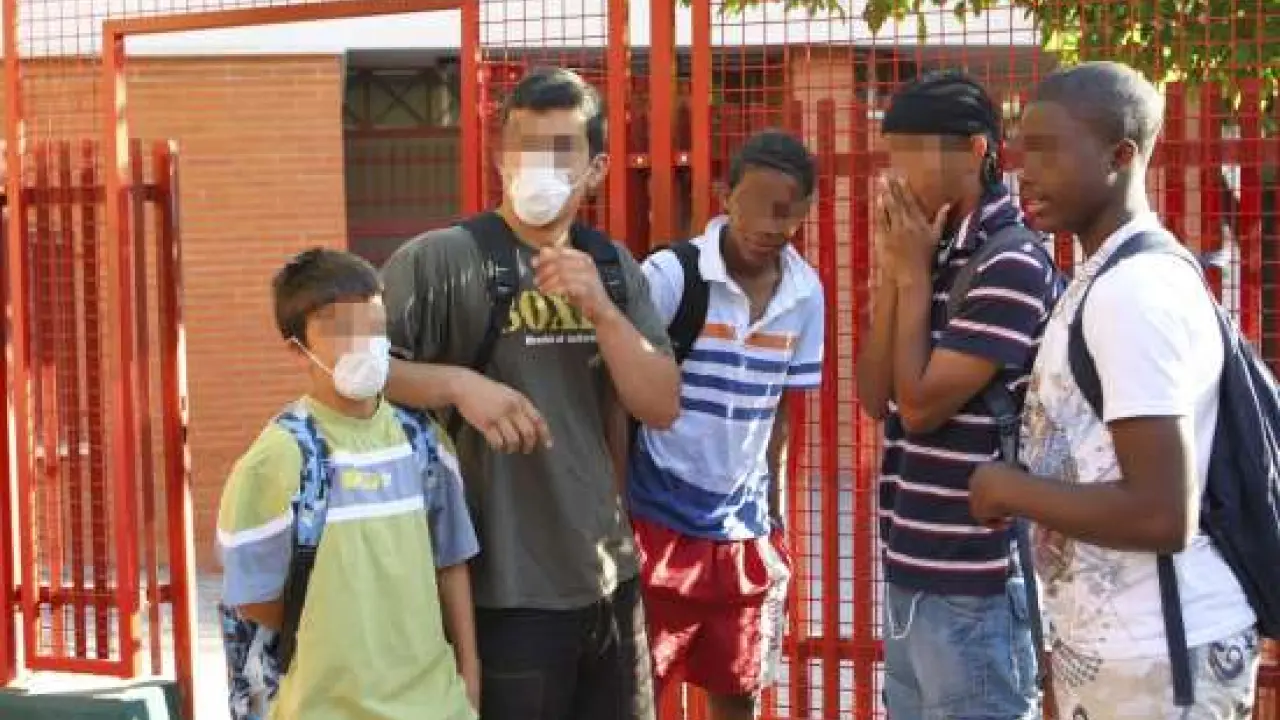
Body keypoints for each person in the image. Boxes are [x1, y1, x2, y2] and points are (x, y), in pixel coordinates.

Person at [380, 66, 678, 720]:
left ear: (596, 169)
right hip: (502, 590)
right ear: (500, 159)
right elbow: (355, 372)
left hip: (609, 577)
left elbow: (661, 404)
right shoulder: (441, 260)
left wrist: (602, 309)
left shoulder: (613, 268)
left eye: (561, 150)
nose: (539, 165)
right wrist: (458, 383)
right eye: (525, 147)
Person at [969, 61, 1260, 718]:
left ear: (1121, 155)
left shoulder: (1132, 293)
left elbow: (1162, 513)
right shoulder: (1108, 276)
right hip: (1122, 647)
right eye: (1024, 151)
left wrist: (1006, 490)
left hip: (1159, 654)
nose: (1025, 173)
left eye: (1048, 151)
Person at [855, 70, 1062, 720]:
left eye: (912, 156)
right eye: (892, 157)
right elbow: (875, 397)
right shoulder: (927, 248)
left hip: (974, 578)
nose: (896, 177)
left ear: (975, 151)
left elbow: (919, 409)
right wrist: (898, 276)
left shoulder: (1010, 261)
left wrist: (913, 280)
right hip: (909, 563)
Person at [216, 248, 480, 720]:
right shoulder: (276, 459)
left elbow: (451, 561)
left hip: (436, 705)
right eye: (341, 329)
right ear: (297, 349)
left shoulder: (422, 440)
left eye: (373, 325)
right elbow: (254, 599)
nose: (364, 344)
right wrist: (339, 632)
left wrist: (470, 672)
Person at [627, 130, 824, 720]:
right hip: (655, 520)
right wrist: (613, 508)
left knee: (738, 692)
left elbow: (780, 412)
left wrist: (775, 518)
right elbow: (617, 390)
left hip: (742, 529)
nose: (766, 225)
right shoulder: (670, 275)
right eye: (752, 205)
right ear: (725, 197)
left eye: (784, 211)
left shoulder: (806, 294)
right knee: (636, 692)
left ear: (806, 210)